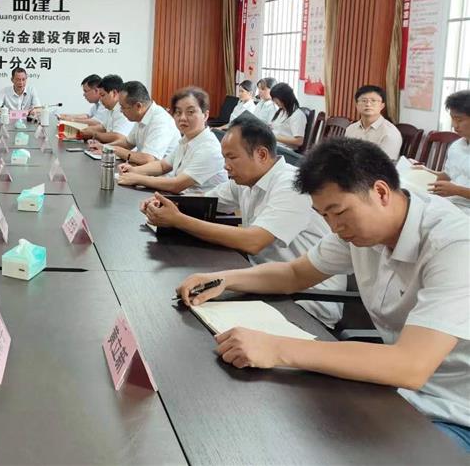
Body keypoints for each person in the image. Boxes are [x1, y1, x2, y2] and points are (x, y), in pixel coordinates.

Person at [175, 138, 470, 453]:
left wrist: (275, 347)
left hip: (454, 412)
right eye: (324, 215)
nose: (334, 227)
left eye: (337, 212)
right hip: (396, 393)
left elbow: (410, 365)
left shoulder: (454, 245)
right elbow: (294, 274)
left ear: (381, 193)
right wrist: (224, 279)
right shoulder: (358, 231)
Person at [143, 116, 344, 327]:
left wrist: (178, 220)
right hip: (265, 282)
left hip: (307, 299)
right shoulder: (244, 181)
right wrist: (163, 204)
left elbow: (253, 242)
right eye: (224, 158)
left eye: (232, 157)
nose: (226, 166)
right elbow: (200, 203)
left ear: (261, 155)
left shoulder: (291, 184)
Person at [117, 87, 227, 195]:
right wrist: (134, 170)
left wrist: (138, 178)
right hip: (181, 198)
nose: (182, 118)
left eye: (190, 112)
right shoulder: (186, 139)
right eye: (178, 112)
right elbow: (162, 166)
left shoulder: (209, 148)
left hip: (203, 205)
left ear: (205, 115)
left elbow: (177, 185)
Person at [89, 81, 179, 165]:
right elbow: (127, 143)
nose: (121, 111)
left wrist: (114, 149)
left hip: (161, 175)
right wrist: (104, 147)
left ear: (138, 106)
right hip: (143, 170)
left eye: (123, 107)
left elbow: (147, 159)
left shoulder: (161, 121)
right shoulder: (142, 116)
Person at [428, 90, 470, 215]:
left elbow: (454, 188)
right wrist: (424, 171)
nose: (454, 125)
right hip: (450, 203)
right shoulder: (457, 146)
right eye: (452, 119)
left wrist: (457, 190)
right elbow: (448, 175)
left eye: (459, 120)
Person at [344, 85, 402, 160]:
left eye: (373, 101)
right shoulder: (350, 129)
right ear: (357, 105)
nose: (368, 104)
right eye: (364, 100)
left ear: (382, 106)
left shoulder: (390, 133)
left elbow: (385, 164)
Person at [78, 74, 134, 143]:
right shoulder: (110, 108)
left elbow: (118, 137)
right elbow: (103, 127)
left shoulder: (123, 110)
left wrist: (94, 134)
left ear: (114, 93)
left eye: (103, 95)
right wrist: (83, 130)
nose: (100, 99)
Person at [269, 82, 306, 149]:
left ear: (285, 98)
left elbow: (299, 141)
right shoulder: (281, 111)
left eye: (276, 99)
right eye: (273, 99)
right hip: (274, 145)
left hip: (284, 149)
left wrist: (274, 136)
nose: (275, 102)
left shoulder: (297, 115)